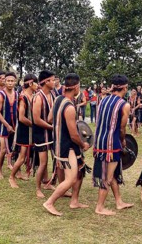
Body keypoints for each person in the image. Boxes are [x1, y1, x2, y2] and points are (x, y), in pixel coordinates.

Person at [43, 73, 90, 216]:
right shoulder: (69, 107)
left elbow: (50, 118)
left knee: (80, 172)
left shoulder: (58, 99)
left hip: (60, 143)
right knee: (70, 179)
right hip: (67, 146)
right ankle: (49, 202)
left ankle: (74, 201)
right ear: (76, 87)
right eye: (79, 86)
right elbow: (74, 135)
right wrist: (83, 145)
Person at [92, 74, 133, 215]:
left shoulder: (103, 100)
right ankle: (99, 207)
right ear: (125, 87)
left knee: (113, 173)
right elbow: (122, 128)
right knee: (108, 177)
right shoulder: (124, 104)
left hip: (99, 142)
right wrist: (123, 141)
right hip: (112, 145)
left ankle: (119, 202)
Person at [9, 74, 38, 188]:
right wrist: (35, 124)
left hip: (31, 131)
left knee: (27, 156)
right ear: (30, 84)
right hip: (24, 131)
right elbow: (21, 117)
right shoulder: (23, 97)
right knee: (21, 157)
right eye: (36, 83)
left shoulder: (33, 96)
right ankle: (11, 177)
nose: (38, 85)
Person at [33, 70, 56, 198]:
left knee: (55, 160)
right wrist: (51, 127)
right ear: (46, 82)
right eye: (52, 80)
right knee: (43, 162)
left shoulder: (52, 95)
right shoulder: (38, 97)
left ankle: (49, 183)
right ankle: (38, 188)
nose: (54, 82)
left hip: (51, 133)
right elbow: (36, 119)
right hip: (41, 134)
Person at [0, 72, 18, 179]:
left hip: (14, 125)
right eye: (8, 81)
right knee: (3, 149)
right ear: (5, 81)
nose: (9, 83)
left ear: (15, 82)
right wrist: (7, 125)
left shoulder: (17, 94)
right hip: (3, 125)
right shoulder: (0, 96)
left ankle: (16, 170)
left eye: (12, 81)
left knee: (15, 148)